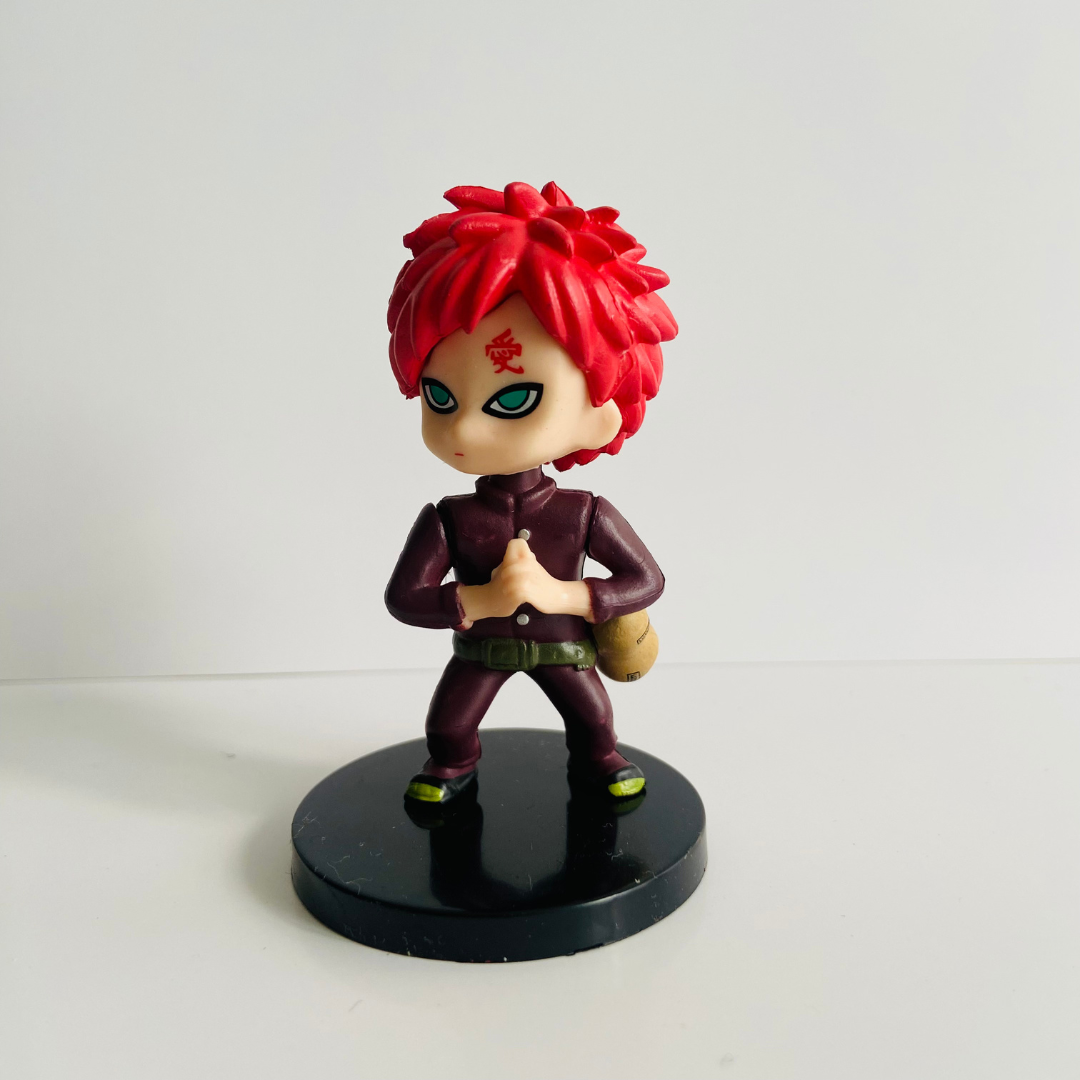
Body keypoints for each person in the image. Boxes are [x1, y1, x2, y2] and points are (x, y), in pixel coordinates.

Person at [384, 181, 677, 804]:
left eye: (513, 399)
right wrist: (479, 599)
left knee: (594, 721)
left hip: (564, 648)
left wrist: (564, 595)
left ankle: (600, 761)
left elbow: (646, 579)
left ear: (600, 414)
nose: (464, 430)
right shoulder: (449, 519)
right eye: (440, 396)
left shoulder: (583, 513)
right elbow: (404, 597)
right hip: (480, 649)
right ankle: (453, 767)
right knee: (449, 727)